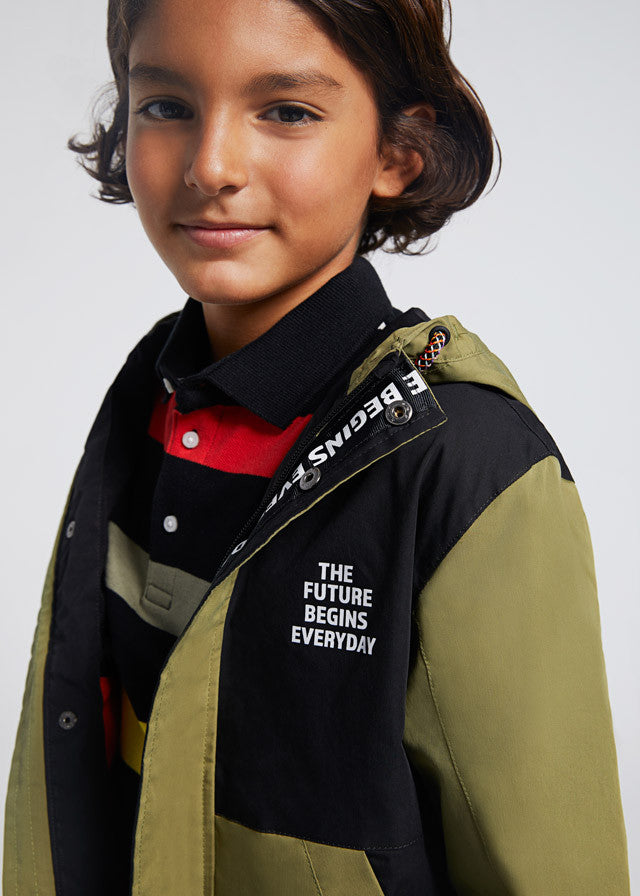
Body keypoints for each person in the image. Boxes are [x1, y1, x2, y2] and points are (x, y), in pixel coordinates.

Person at [3, 0, 630, 893]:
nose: (212, 166)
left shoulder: (467, 463)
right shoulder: (147, 395)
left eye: (287, 112)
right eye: (168, 106)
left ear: (397, 153)